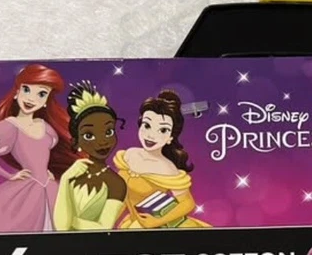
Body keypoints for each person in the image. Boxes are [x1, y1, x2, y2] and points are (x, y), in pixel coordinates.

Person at [0, 64, 77, 233]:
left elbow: (44, 154)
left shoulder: (46, 128)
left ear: (46, 101)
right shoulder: (9, 126)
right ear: (17, 92)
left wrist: (48, 172)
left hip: (50, 186)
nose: (31, 99)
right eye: (27, 90)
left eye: (41, 94)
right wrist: (9, 174)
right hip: (26, 189)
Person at [113, 90, 209, 229]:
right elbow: (121, 197)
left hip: (154, 226)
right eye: (147, 125)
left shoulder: (167, 167)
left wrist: (156, 222)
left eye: (163, 130)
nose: (151, 135)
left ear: (170, 137)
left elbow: (187, 203)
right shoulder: (129, 155)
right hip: (133, 224)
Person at [53, 81, 127, 231]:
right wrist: (66, 179)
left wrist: (69, 218)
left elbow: (104, 228)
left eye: (108, 132)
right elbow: (60, 227)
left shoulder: (116, 183)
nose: (102, 142)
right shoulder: (72, 174)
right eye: (89, 135)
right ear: (76, 142)